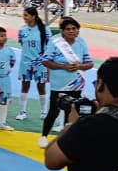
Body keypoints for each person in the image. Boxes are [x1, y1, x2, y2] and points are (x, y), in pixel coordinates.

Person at [37, 17, 94, 148]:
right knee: (54, 110)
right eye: (68, 29)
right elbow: (45, 61)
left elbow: (89, 63)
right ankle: (44, 136)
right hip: (59, 83)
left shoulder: (81, 42)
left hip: (77, 83)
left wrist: (79, 66)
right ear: (62, 31)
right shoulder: (55, 42)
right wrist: (63, 67)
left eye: (74, 29)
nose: (71, 31)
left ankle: (66, 138)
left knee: (72, 111)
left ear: (78, 30)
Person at [16, 7, 50, 123]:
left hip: (40, 63)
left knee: (41, 86)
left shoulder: (45, 30)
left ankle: (44, 112)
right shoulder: (22, 30)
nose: (24, 17)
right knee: (25, 85)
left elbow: (49, 46)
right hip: (26, 63)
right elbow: (22, 44)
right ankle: (22, 112)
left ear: (33, 16)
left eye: (26, 15)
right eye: (24, 15)